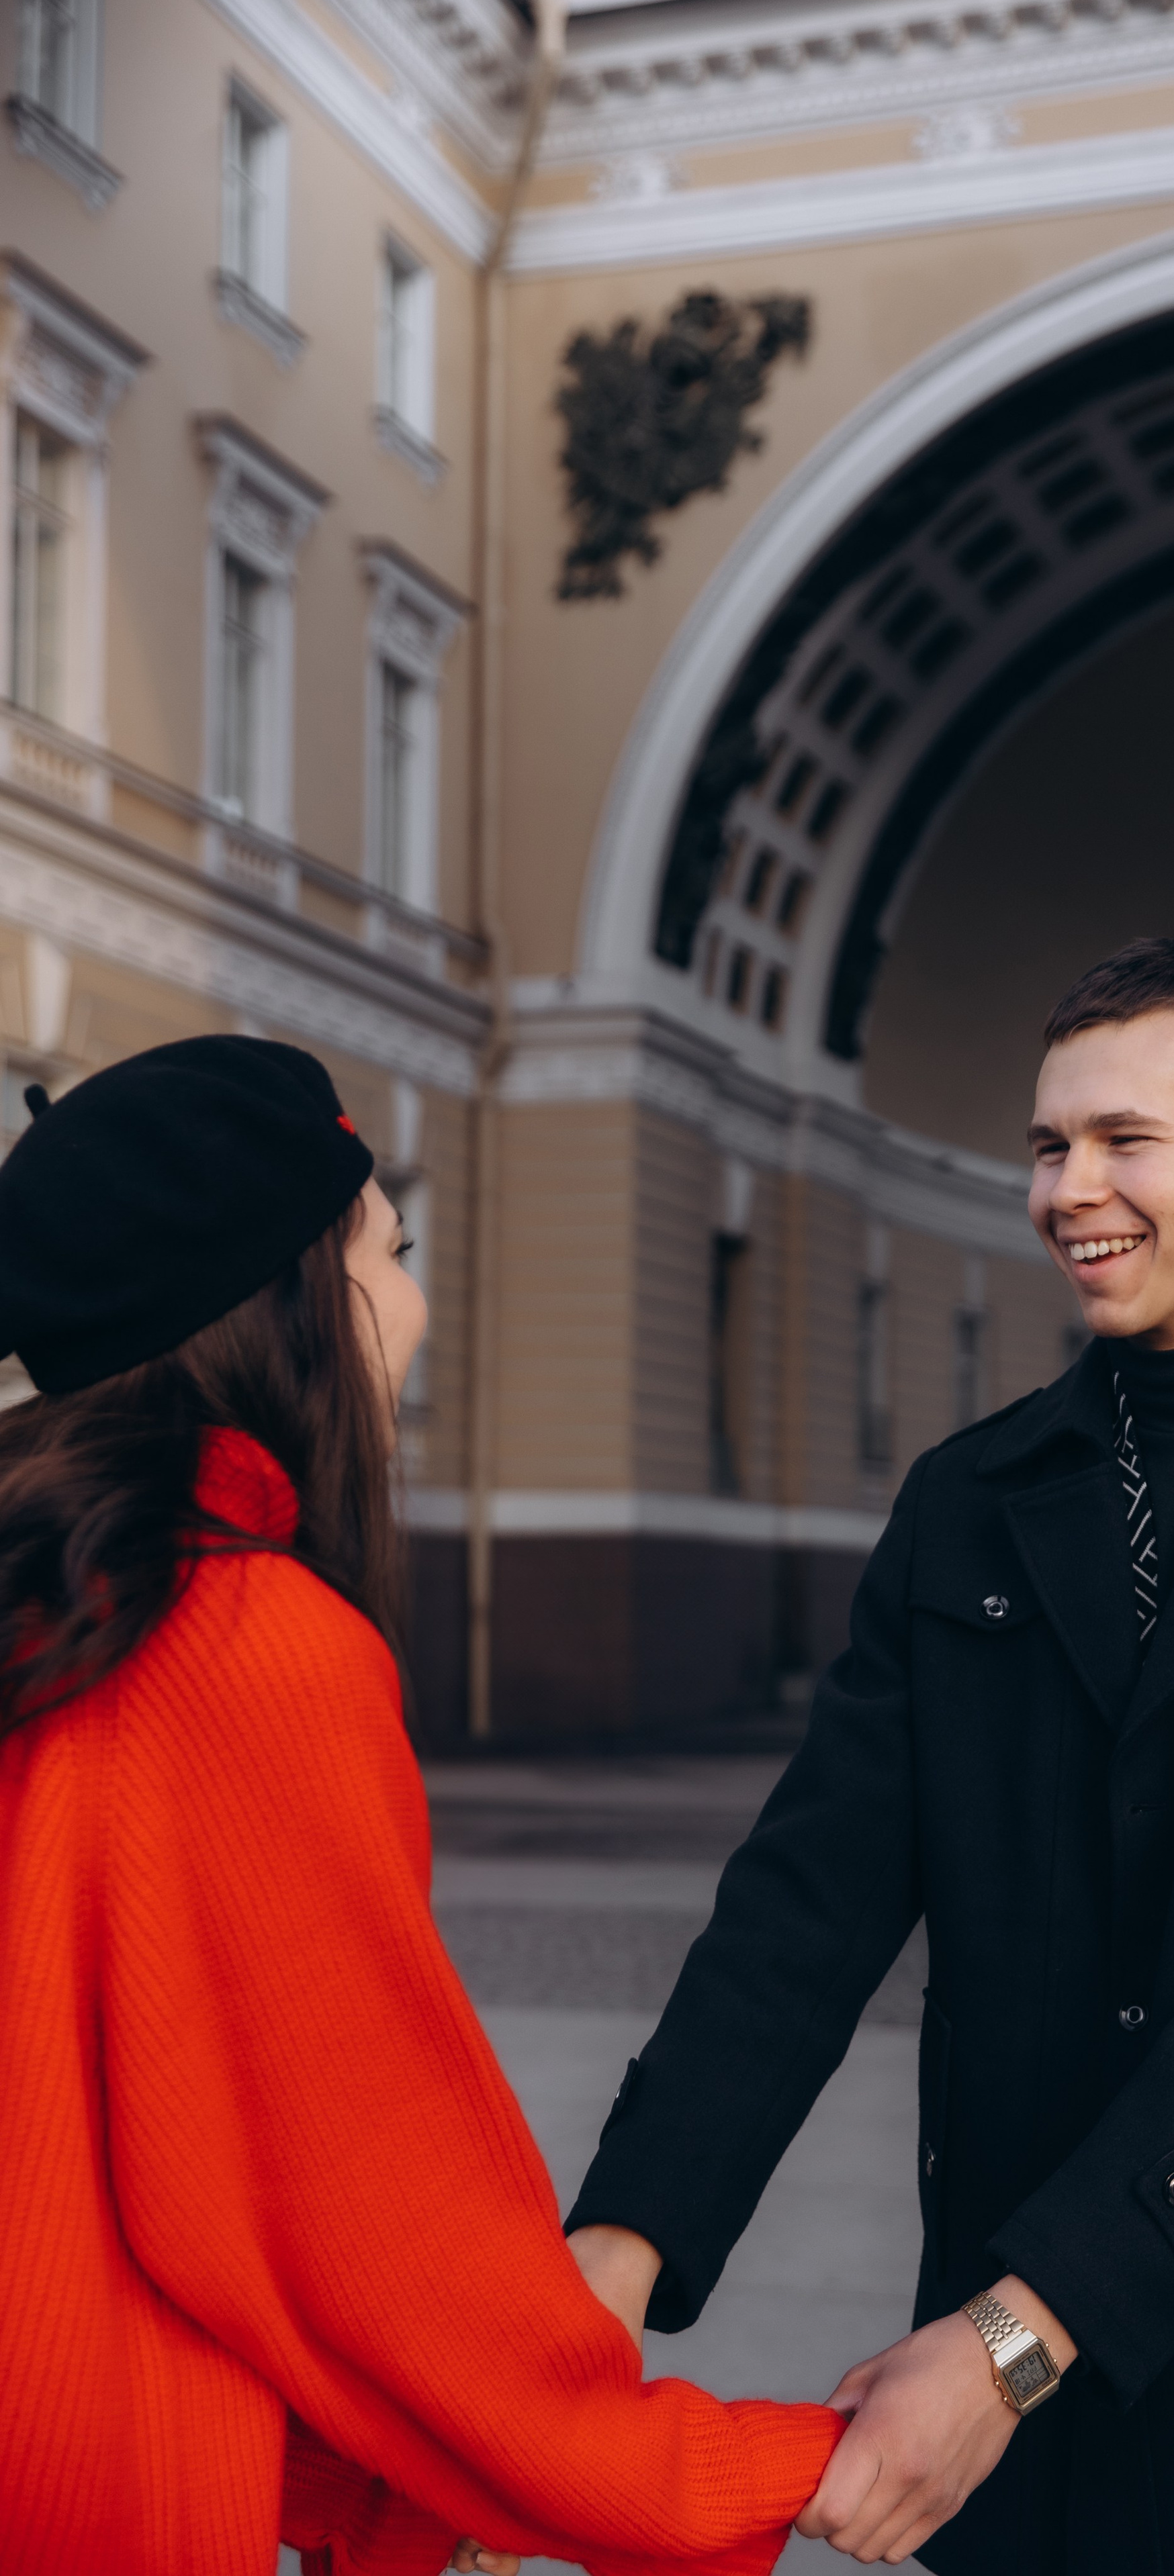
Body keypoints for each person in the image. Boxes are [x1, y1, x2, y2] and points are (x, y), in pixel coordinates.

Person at [566, 937, 1174, 2576]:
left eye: (1123, 1139)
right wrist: (615, 2255)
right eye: (1046, 1145)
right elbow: (802, 1909)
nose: (1067, 1189)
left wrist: (1006, 2346)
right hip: (1024, 2449)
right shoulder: (966, 1502)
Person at [0, 1035, 840, 2576]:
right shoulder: (249, 1652)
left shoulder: (51, 1619)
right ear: (280, 1303)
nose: (416, 1305)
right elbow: (379, 2244)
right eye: (388, 1253)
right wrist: (757, 2471)